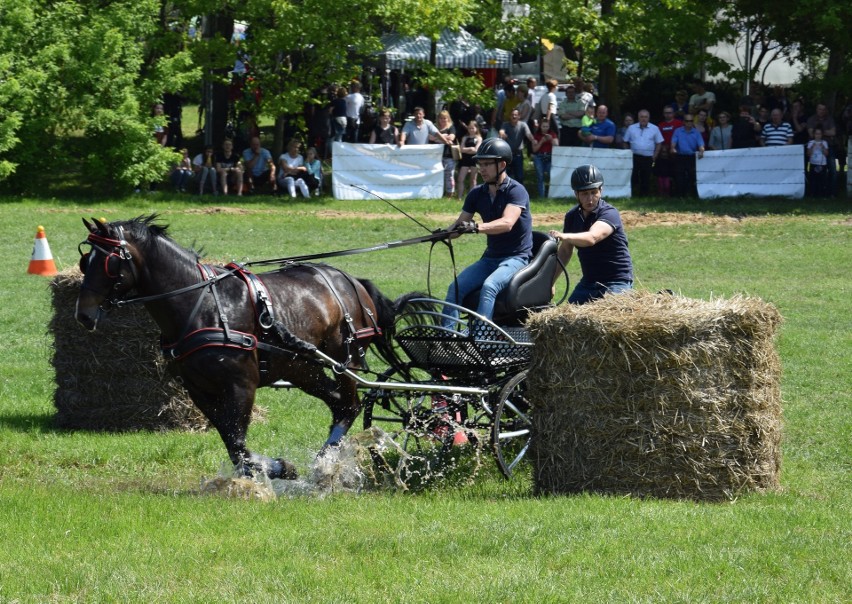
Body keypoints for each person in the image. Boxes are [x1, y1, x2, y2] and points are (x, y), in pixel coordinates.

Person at [441, 138, 533, 327]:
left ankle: (482, 340)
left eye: (487, 164)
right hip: (490, 258)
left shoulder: (517, 191)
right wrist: (443, 234)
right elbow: (460, 224)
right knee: (455, 288)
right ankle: (446, 340)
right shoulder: (477, 193)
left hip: (516, 258)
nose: (482, 169)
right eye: (480, 164)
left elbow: (507, 223)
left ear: (502, 164)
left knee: (489, 287)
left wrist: (477, 227)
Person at [549, 164, 633, 305]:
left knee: (608, 318)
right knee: (568, 320)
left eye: (594, 192)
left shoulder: (609, 213)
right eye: (584, 194)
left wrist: (564, 236)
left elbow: (592, 238)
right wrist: (550, 282)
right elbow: (564, 251)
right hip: (589, 282)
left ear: (601, 190)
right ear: (576, 194)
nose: (590, 199)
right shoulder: (572, 216)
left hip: (617, 281)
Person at [622, 109, 663, 197]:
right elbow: (625, 141)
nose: (643, 119)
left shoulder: (655, 128)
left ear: (649, 118)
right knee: (633, 176)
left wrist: (655, 156)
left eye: (645, 117)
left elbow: (659, 143)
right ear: (638, 118)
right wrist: (628, 153)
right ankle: (631, 194)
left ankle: (644, 196)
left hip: (648, 157)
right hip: (634, 157)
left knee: (646, 177)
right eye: (641, 117)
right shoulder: (631, 128)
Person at [671, 113, 705, 197]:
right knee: (679, 177)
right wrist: (673, 148)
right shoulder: (677, 131)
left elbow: (701, 145)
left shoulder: (696, 132)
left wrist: (701, 151)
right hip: (680, 156)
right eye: (687, 121)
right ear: (683, 122)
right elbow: (673, 143)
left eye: (691, 121)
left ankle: (693, 195)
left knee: (692, 177)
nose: (689, 123)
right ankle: (679, 196)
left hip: (692, 157)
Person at [498, 108, 535, 185]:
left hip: (518, 154)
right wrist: (502, 134)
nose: (514, 116)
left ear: (519, 116)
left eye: (516, 115)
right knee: (504, 176)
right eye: (512, 115)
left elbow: (528, 134)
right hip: (507, 155)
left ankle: (519, 194)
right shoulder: (505, 124)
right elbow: (501, 131)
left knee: (519, 176)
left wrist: (532, 140)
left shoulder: (523, 125)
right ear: (510, 116)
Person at [430, 110, 457, 197]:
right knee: (436, 175)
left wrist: (437, 138)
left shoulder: (451, 127)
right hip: (436, 156)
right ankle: (437, 193)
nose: (442, 120)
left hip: (448, 155)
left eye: (444, 118)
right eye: (441, 118)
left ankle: (450, 193)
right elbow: (430, 137)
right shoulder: (434, 127)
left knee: (449, 176)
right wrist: (444, 138)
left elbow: (451, 138)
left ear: (448, 118)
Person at [532, 119, 558, 198]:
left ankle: (552, 195)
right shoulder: (536, 135)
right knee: (540, 176)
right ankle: (542, 196)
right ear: (540, 126)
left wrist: (551, 140)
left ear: (549, 126)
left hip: (550, 157)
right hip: (539, 157)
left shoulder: (553, 134)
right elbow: (534, 149)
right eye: (543, 126)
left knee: (552, 175)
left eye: (547, 126)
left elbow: (557, 146)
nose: (545, 128)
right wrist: (542, 141)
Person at [456, 120, 482, 199]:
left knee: (473, 180)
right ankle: (459, 197)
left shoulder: (479, 138)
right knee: (460, 179)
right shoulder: (465, 137)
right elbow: (461, 149)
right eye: (469, 128)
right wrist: (470, 148)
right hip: (465, 160)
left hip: (474, 160)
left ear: (476, 128)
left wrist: (467, 150)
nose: (471, 130)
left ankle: (472, 198)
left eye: (473, 128)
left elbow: (476, 150)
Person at [806, 128, 830, 197]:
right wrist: (812, 148)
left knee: (822, 179)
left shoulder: (824, 142)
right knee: (813, 179)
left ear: (822, 135)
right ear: (814, 135)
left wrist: (823, 148)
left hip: (822, 164)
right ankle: (813, 193)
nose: (818, 135)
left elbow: (826, 154)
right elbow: (808, 154)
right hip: (813, 163)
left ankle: (822, 194)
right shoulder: (810, 142)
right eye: (816, 134)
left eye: (819, 134)